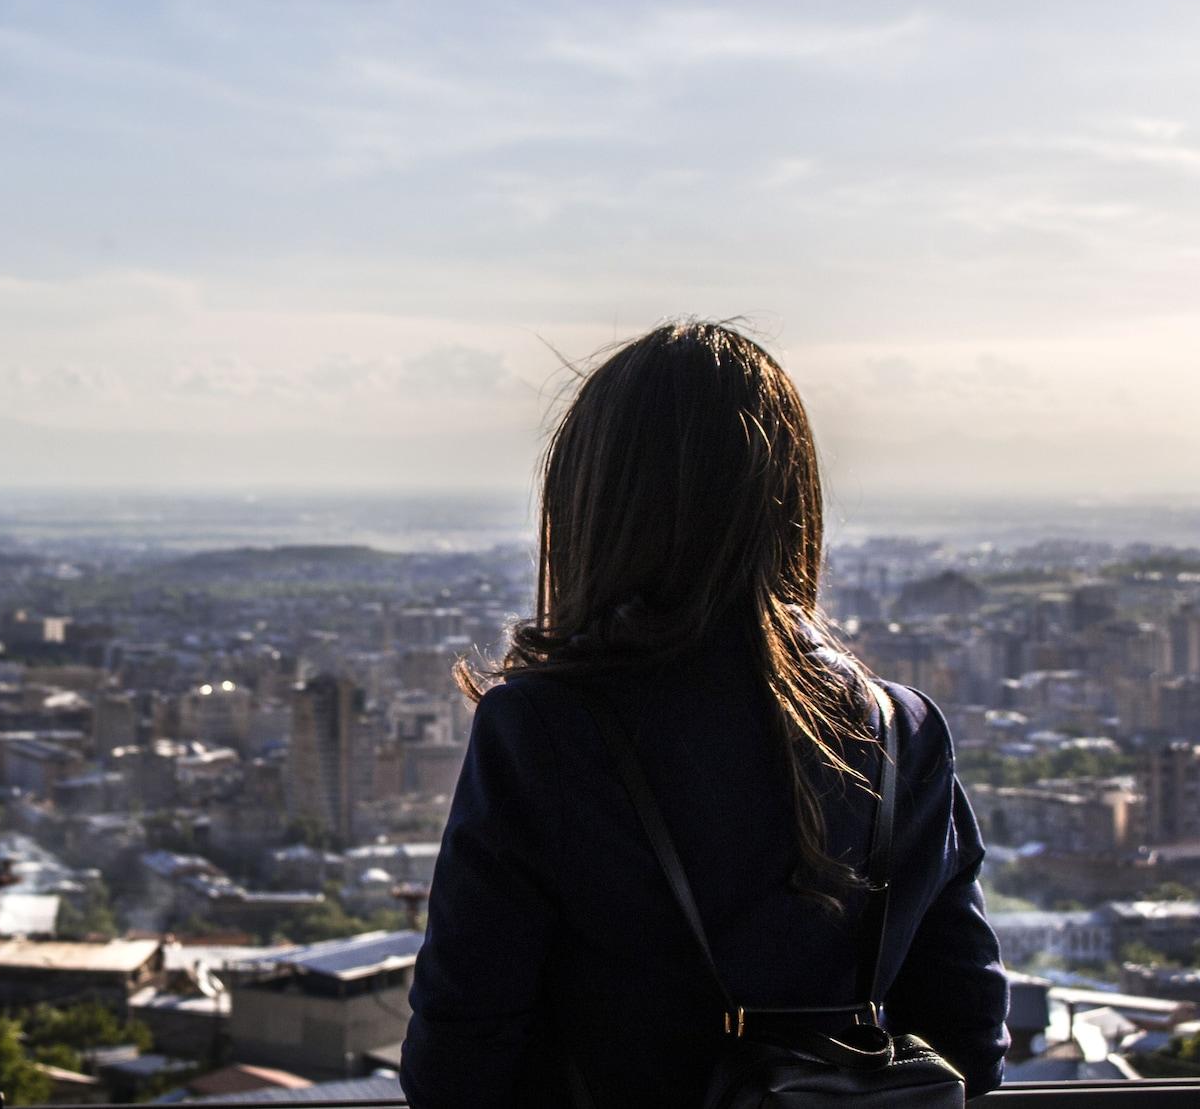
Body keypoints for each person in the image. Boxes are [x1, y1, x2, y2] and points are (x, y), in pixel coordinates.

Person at [399, 322, 1008, 1108]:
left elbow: (456, 1069)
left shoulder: (545, 730)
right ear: (791, 506)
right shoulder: (901, 732)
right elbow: (970, 1042)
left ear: (594, 508)